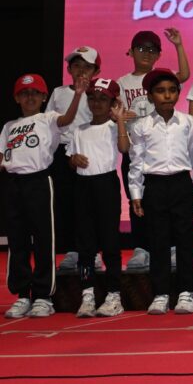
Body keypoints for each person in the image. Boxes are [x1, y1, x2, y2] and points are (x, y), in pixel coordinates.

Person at [2, 73, 87, 319]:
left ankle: (42, 295)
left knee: (43, 238)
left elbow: (68, 118)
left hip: (39, 181)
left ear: (43, 97)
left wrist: (79, 94)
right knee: (17, 241)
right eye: (24, 93)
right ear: (17, 98)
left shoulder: (48, 118)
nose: (30, 97)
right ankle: (21, 295)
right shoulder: (9, 126)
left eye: (35, 93)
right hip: (14, 183)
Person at [128, 68, 193, 315]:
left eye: (172, 90)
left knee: (185, 239)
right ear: (150, 96)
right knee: (158, 240)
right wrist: (136, 194)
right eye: (160, 91)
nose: (167, 96)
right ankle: (161, 293)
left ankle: (187, 292)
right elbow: (136, 162)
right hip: (155, 185)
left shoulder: (188, 123)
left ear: (178, 94)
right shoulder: (141, 126)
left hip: (181, 183)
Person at [118, 29, 190, 272]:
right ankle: (141, 247)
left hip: (163, 148)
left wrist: (179, 45)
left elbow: (184, 75)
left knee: (166, 204)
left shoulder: (163, 78)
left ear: (159, 54)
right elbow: (113, 110)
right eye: (141, 49)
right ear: (131, 51)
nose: (146, 54)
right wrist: (120, 117)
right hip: (136, 148)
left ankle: (169, 247)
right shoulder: (122, 83)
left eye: (152, 50)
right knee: (137, 199)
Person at [68, 78, 129, 318]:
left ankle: (114, 294)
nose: (96, 103)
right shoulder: (79, 129)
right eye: (92, 98)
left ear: (113, 102)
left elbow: (124, 149)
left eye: (103, 99)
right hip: (83, 186)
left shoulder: (114, 128)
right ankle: (88, 293)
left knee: (110, 241)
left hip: (106, 184)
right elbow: (71, 157)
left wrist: (121, 119)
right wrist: (73, 161)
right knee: (85, 242)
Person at [50, 46, 100, 273]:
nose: (81, 70)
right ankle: (72, 250)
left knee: (90, 204)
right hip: (62, 154)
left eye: (87, 66)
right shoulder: (59, 92)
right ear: (69, 68)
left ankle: (93, 251)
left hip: (88, 151)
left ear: (96, 70)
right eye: (76, 65)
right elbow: (50, 124)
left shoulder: (98, 93)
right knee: (66, 202)